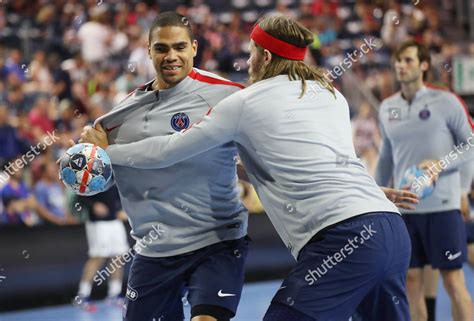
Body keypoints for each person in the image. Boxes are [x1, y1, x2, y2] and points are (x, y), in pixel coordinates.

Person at [82, 15, 418, 321]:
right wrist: (375, 193)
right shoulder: (331, 93)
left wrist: (108, 153)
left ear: (266, 57)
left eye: (252, 52)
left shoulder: (245, 101)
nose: (248, 60)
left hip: (343, 237)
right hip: (388, 224)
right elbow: (327, 163)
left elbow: (169, 150)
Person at [78, 11, 249, 321]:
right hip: (154, 251)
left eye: (180, 47)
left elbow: (259, 159)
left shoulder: (229, 96)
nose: (171, 56)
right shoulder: (123, 113)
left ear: (194, 48)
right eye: (162, 48)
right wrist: (87, 161)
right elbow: (103, 177)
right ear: (149, 51)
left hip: (217, 242)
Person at [375, 40, 473, 321]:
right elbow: (386, 156)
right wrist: (373, 194)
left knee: (453, 283)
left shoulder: (446, 101)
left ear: (424, 65)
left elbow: (471, 144)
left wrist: (441, 165)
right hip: (406, 210)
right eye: (397, 61)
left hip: (443, 207)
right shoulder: (387, 107)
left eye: (407, 60)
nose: (400, 66)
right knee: (411, 283)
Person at [73, 185, 129, 312]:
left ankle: (114, 294)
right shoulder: (89, 170)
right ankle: (82, 295)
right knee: (98, 258)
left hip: (115, 221)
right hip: (98, 223)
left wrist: (121, 208)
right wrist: (93, 205)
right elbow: (79, 195)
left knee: (119, 258)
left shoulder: (115, 171)